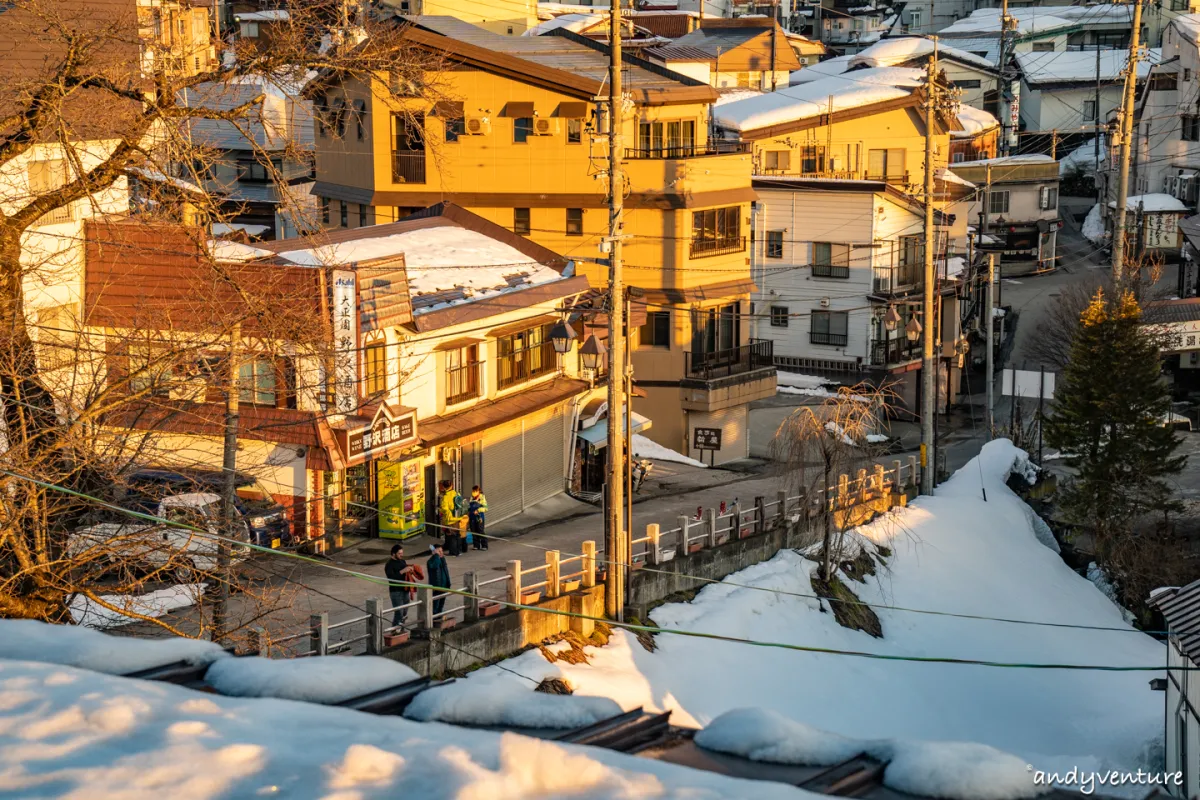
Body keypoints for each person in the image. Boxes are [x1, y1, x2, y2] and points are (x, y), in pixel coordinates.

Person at [384, 544, 415, 628]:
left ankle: (401, 627)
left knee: (405, 611)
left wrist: (410, 570)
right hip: (396, 591)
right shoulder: (389, 565)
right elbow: (391, 578)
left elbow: (406, 573)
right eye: (399, 553)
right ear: (393, 554)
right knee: (399, 612)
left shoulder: (402, 561)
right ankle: (395, 629)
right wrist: (402, 571)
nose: (401, 555)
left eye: (402, 553)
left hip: (405, 590)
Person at [439, 480, 467, 556]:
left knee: (452, 536)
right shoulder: (456, 493)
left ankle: (453, 552)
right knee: (457, 535)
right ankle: (459, 550)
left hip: (450, 519)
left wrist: (440, 510)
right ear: (451, 485)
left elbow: (444, 509)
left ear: (444, 487)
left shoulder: (445, 497)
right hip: (457, 518)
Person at [427, 543, 451, 616]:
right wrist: (436, 555)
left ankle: (439, 619)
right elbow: (435, 565)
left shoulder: (443, 559)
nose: (441, 553)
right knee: (435, 608)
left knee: (441, 606)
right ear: (434, 552)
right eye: (439, 551)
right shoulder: (431, 561)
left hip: (444, 587)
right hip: (436, 588)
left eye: (441, 551)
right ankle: (434, 621)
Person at [468, 485, 488, 550]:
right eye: (473, 491)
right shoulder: (471, 498)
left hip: (479, 517)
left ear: (479, 491)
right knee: (473, 531)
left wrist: (478, 510)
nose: (474, 492)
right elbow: (469, 507)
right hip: (472, 517)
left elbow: (486, 508)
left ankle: (484, 545)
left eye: (475, 491)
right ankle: (476, 545)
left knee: (480, 531)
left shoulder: (482, 498)